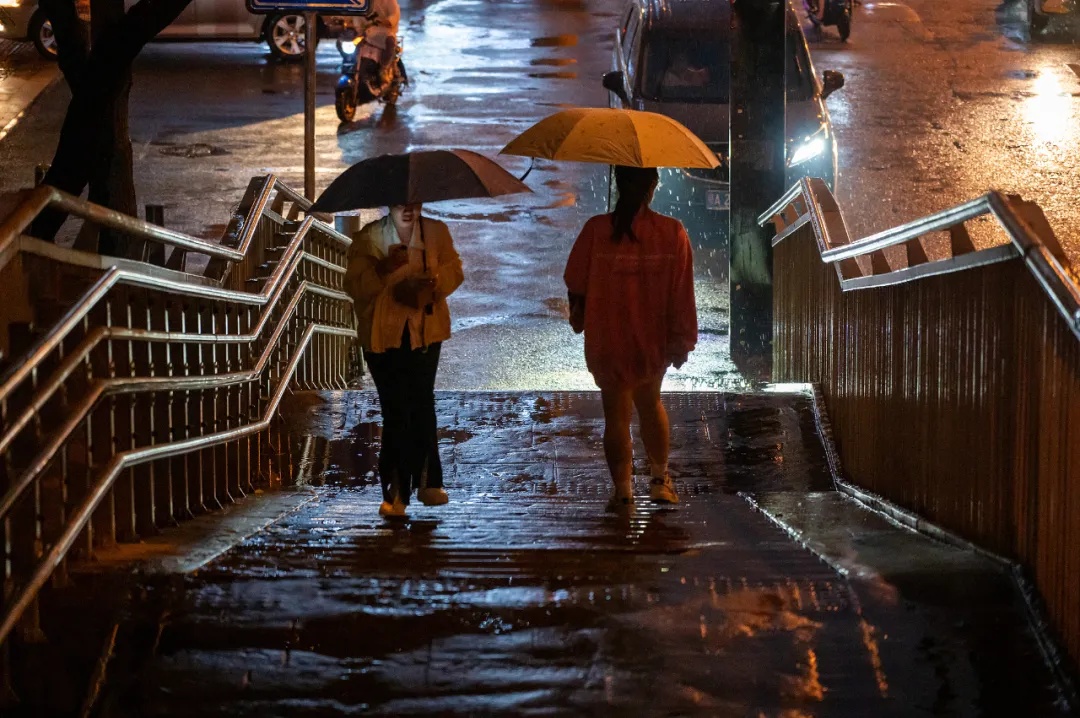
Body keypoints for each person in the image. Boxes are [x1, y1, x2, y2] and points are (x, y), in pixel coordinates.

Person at [564, 166, 697, 512]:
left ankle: (623, 491)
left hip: (608, 338)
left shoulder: (597, 230)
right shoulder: (672, 233)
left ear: (618, 184)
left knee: (616, 416)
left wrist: (580, 314)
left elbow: (575, 281)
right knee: (651, 404)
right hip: (651, 339)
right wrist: (681, 339)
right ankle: (659, 481)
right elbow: (681, 292)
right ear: (653, 186)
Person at [345, 203, 464, 518]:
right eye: (401, 203)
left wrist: (434, 283)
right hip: (382, 339)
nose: (408, 210)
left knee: (422, 403)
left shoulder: (436, 233)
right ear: (389, 204)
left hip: (426, 332)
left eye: (414, 203)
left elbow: (455, 270)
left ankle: (429, 483)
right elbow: (354, 287)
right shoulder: (369, 238)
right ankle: (395, 493)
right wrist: (384, 269)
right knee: (396, 410)